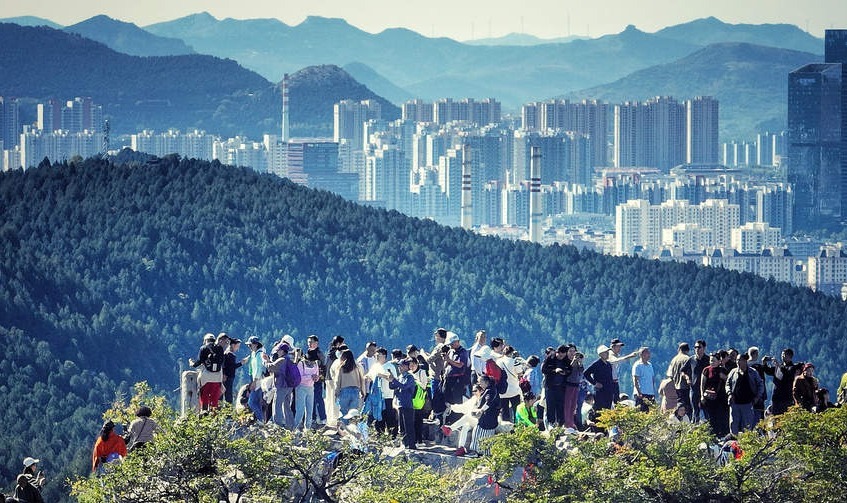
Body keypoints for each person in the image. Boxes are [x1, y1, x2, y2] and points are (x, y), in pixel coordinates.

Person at [726, 353, 764, 435]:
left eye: (740, 360)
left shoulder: (752, 372)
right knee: (733, 425)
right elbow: (727, 384)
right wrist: (729, 393)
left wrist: (757, 397)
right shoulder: (733, 372)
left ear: (745, 361)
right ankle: (734, 443)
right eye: (737, 360)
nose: (738, 362)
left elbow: (760, 384)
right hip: (735, 403)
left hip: (748, 404)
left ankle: (746, 444)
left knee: (747, 427)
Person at [189, 333, 226, 411]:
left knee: (204, 398)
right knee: (214, 400)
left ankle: (204, 416)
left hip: (206, 378)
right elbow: (222, 361)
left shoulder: (203, 348)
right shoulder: (220, 348)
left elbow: (198, 363)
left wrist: (192, 363)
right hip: (217, 378)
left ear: (205, 340)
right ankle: (214, 418)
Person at [388, 358, 418, 449]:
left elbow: (404, 386)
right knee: (402, 427)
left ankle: (411, 445)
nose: (399, 368)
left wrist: (394, 380)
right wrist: (390, 380)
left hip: (407, 405)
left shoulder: (409, 377)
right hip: (400, 404)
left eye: (401, 366)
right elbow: (392, 387)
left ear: (406, 367)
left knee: (408, 426)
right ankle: (404, 444)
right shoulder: (400, 377)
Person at [469, 375, 501, 457]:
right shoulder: (491, 390)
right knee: (485, 435)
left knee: (478, 433)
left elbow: (489, 402)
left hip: (488, 418)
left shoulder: (490, 391)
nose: (479, 384)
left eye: (480, 382)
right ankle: (485, 453)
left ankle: (476, 452)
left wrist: (481, 410)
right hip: (489, 418)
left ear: (486, 382)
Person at [265, 343, 296, 428]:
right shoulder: (289, 360)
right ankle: (290, 425)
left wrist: (266, 361)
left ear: (282, 351)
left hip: (281, 386)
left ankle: (278, 424)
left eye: (278, 350)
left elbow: (271, 367)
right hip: (289, 386)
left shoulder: (281, 360)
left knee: (277, 404)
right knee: (287, 406)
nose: (277, 352)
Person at [334, 349, 367, 425]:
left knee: (344, 412)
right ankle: (353, 430)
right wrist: (363, 391)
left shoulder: (341, 368)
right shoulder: (357, 367)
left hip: (344, 391)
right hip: (355, 391)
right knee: (353, 413)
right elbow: (362, 379)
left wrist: (336, 393)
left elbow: (337, 381)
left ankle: (344, 430)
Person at [701, 353, 729, 437]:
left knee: (721, 416)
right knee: (711, 418)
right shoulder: (706, 370)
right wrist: (702, 395)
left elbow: (729, 381)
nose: (711, 362)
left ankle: (721, 434)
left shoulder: (722, 370)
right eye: (710, 360)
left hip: (721, 399)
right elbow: (702, 384)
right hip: (709, 399)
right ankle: (712, 435)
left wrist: (723, 377)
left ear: (719, 361)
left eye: (713, 360)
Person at [542, 344, 571, 426]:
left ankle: (560, 424)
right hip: (550, 386)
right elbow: (544, 370)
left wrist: (565, 372)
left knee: (560, 406)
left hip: (561, 387)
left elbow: (570, 370)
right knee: (550, 405)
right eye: (560, 354)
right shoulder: (550, 359)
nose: (561, 356)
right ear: (557, 352)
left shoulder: (566, 360)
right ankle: (550, 423)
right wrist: (555, 370)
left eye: (564, 354)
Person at [242, 336, 267, 422]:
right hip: (256, 379)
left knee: (251, 402)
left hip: (258, 380)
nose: (249, 346)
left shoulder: (259, 354)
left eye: (250, 345)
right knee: (257, 401)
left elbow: (259, 368)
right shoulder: (254, 353)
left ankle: (260, 420)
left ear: (256, 344)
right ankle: (261, 419)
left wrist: (254, 381)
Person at [294, 350, 320, 430]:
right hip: (301, 387)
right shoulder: (301, 364)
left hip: (311, 388)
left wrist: (316, 378)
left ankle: (307, 428)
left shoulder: (315, 364)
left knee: (310, 410)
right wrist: (311, 377)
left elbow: (317, 375)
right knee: (300, 410)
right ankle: (295, 427)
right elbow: (299, 377)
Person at [443, 332, 470, 408]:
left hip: (458, 379)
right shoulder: (451, 351)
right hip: (449, 378)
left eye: (452, 344)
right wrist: (446, 360)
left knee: (457, 399)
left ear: (457, 342)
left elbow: (460, 365)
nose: (450, 346)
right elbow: (447, 364)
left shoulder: (463, 352)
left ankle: (457, 416)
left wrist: (449, 360)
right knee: (448, 398)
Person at [584, 345, 615, 412]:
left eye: (607, 352)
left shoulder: (609, 364)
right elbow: (586, 373)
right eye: (605, 352)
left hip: (608, 391)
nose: (607, 354)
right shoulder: (596, 364)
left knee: (608, 409)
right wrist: (594, 383)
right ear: (600, 354)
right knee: (599, 409)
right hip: (600, 391)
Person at [608, 338, 639, 403]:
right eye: (618, 346)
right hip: (610, 382)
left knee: (616, 401)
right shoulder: (610, 354)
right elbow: (615, 361)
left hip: (614, 381)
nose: (619, 348)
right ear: (613, 347)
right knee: (613, 401)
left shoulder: (616, 355)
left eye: (620, 346)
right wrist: (629, 356)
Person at [497, 345, 523, 423]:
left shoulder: (498, 361)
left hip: (502, 390)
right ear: (512, 352)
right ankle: (517, 427)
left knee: (504, 411)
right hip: (514, 390)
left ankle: (506, 429)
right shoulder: (515, 361)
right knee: (516, 410)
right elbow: (520, 373)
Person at [667, 342, 693, 417]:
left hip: (677, 387)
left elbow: (670, 375)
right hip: (687, 387)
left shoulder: (674, 359)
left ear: (679, 349)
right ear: (687, 350)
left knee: (679, 408)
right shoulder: (688, 359)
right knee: (687, 409)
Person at [306, 335, 327, 426]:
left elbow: (324, 366)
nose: (309, 344)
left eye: (311, 342)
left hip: (317, 380)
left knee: (318, 399)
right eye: (308, 342)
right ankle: (313, 418)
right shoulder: (308, 352)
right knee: (311, 399)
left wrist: (320, 377)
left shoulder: (319, 353)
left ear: (316, 343)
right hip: (308, 380)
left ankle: (323, 418)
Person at [408, 358, 430, 445]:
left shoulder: (422, 372)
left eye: (413, 364)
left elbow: (424, 386)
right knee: (411, 421)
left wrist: (416, 380)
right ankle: (413, 440)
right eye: (410, 364)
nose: (412, 366)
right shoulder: (408, 373)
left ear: (417, 364)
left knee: (418, 421)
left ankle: (419, 440)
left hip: (418, 401)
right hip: (410, 400)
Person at [690, 340, 710, 422]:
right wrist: (687, 378)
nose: (697, 349)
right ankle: (695, 426)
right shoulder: (691, 359)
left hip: (705, 389)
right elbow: (683, 370)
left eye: (699, 347)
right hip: (694, 389)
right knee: (695, 410)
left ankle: (709, 428)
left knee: (706, 410)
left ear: (704, 348)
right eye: (695, 347)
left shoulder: (708, 360)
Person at [563, 348, 582, 429]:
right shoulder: (566, 361)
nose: (572, 353)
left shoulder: (577, 362)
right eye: (570, 351)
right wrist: (574, 361)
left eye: (574, 351)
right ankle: (566, 423)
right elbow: (568, 370)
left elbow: (581, 371)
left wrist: (580, 362)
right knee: (567, 405)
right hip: (568, 385)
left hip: (576, 385)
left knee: (573, 405)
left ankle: (571, 422)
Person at [632, 347, 656, 412]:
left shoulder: (650, 365)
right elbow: (635, 380)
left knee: (650, 413)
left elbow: (652, 379)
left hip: (650, 393)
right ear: (641, 355)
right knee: (641, 413)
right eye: (646, 353)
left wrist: (653, 392)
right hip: (641, 393)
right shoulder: (637, 365)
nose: (649, 355)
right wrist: (639, 393)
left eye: (649, 353)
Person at [222, 336, 242, 405]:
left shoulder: (226, 353)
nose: (238, 348)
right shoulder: (230, 354)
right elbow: (232, 367)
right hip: (228, 377)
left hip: (226, 376)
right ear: (233, 345)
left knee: (225, 394)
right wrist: (241, 363)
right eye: (237, 346)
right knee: (228, 395)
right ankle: (228, 413)